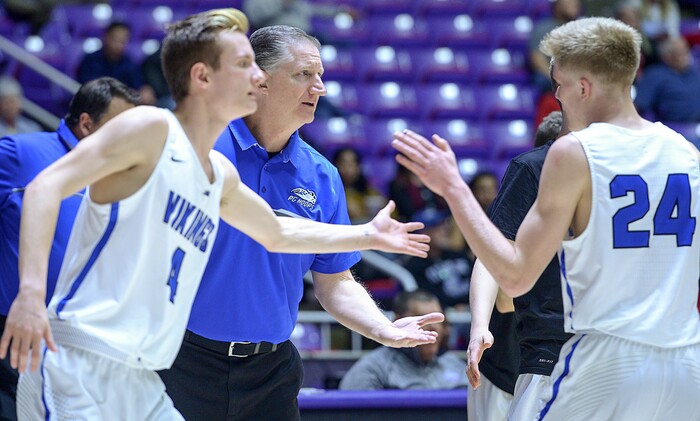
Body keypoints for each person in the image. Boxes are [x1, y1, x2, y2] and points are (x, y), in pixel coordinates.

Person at [0, 9, 441, 420]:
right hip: (85, 355)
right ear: (203, 76)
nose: (256, 76)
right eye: (244, 64)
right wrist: (30, 296)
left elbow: (276, 233)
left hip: (143, 369)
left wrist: (367, 234)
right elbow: (44, 187)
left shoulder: (219, 174)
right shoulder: (150, 128)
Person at [393, 17, 700, 420]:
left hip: (605, 360)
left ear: (584, 87)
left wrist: (454, 190)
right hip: (685, 363)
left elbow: (516, 276)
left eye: (559, 85)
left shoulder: (575, 152)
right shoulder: (686, 152)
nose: (557, 96)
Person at [158, 24, 441, 421]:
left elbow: (335, 281)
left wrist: (384, 329)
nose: (319, 87)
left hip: (271, 373)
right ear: (260, 80)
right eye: (303, 75)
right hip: (182, 360)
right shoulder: (202, 146)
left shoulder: (322, 175)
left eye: (320, 75)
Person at [0, 76, 138, 421]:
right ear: (87, 124)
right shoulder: (22, 154)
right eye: (119, 127)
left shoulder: (122, 177)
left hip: (86, 339)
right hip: (20, 329)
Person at [468, 110, 571, 421]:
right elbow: (504, 298)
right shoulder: (530, 176)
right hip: (510, 362)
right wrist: (479, 326)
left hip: (569, 350)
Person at [338, 290, 468, 390]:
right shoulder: (374, 368)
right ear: (399, 321)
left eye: (438, 320)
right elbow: (350, 412)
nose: (433, 327)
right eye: (421, 320)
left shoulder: (455, 365)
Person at [77, 22, 156, 105]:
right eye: (115, 40)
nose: (118, 45)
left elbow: (139, 85)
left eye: (122, 41)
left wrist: (145, 91)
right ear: (105, 37)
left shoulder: (129, 62)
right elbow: (88, 88)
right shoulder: (90, 60)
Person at [634, 36, 700, 122]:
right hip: (675, 127)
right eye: (679, 53)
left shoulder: (694, 72)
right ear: (667, 57)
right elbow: (639, 105)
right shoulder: (655, 75)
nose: (686, 57)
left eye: (686, 51)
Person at [333, 147, 387, 223]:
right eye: (343, 163)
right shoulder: (331, 192)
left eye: (352, 163)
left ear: (359, 167)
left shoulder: (369, 190)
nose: (348, 168)